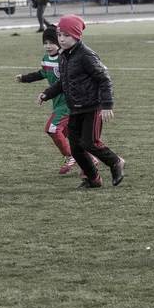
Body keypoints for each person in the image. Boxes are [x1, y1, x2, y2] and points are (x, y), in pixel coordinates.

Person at [38, 15, 125, 188]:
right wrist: (47, 93)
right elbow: (63, 82)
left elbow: (104, 79)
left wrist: (107, 105)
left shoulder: (86, 55)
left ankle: (116, 162)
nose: (61, 39)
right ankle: (94, 179)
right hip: (75, 108)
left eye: (66, 36)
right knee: (77, 149)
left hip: (92, 107)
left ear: (77, 36)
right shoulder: (64, 57)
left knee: (89, 143)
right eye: (60, 35)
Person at [16, 25, 98, 175]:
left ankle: (70, 156)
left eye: (52, 42)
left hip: (68, 103)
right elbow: (42, 73)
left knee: (51, 128)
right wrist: (25, 78)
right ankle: (90, 159)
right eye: (45, 42)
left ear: (60, 41)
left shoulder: (65, 59)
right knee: (72, 137)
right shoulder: (46, 59)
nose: (48, 46)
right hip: (56, 103)